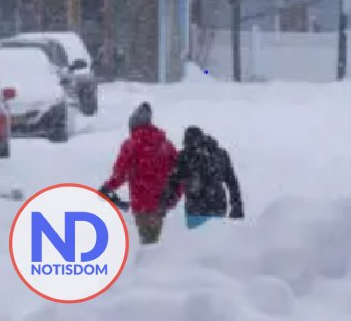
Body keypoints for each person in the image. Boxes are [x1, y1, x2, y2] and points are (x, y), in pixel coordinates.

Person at [99, 102, 179, 245]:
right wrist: (172, 198)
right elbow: (178, 173)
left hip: (141, 202)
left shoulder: (131, 145)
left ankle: (149, 265)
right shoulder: (166, 145)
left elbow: (120, 173)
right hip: (161, 202)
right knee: (155, 242)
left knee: (145, 244)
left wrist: (107, 188)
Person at [159, 126, 244, 229]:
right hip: (218, 208)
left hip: (195, 209)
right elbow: (232, 182)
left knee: (197, 242)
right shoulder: (220, 154)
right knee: (218, 241)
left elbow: (173, 182)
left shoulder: (185, 156)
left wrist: (164, 204)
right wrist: (236, 205)